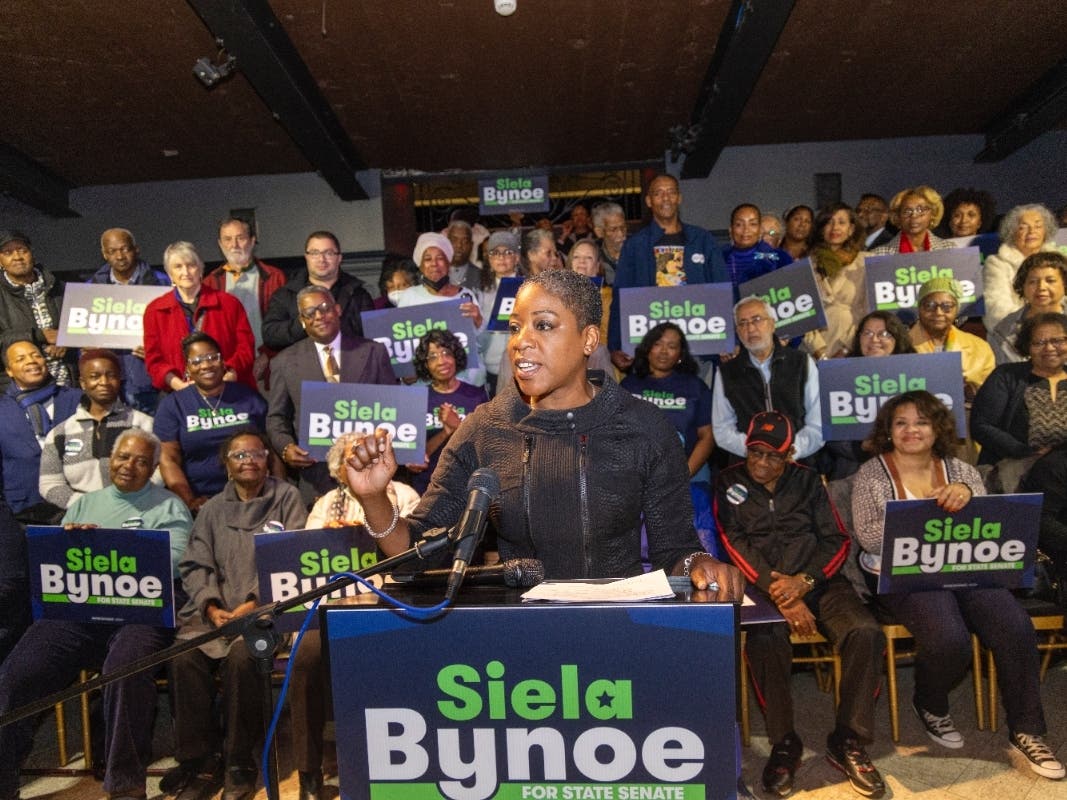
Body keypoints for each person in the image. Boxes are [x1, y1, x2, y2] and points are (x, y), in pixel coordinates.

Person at [340, 269, 743, 597]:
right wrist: (374, 497)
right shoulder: (484, 428)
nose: (521, 342)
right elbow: (415, 556)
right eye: (515, 328)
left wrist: (698, 564)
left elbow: (675, 548)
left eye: (544, 326)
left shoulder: (644, 426)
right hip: (520, 650)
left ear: (588, 340)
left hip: (619, 633)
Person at [851, 391, 1064, 780]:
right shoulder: (872, 474)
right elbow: (866, 535)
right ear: (888, 430)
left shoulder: (962, 471)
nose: (911, 430)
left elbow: (985, 522)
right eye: (901, 423)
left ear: (937, 428)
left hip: (966, 565)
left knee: (1016, 627)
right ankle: (929, 703)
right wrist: (926, 515)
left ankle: (1028, 730)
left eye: (921, 422)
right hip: (903, 574)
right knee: (949, 638)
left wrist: (967, 498)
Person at [0, 429, 192, 800]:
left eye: (140, 460)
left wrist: (109, 546)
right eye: (123, 457)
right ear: (110, 461)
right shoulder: (85, 504)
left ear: (153, 467)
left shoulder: (170, 506)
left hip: (141, 612)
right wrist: (73, 540)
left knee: (126, 667)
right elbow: (55, 559)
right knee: (17, 671)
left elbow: (176, 562)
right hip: (81, 611)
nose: (129, 466)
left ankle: (125, 785)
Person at [716, 412, 886, 798]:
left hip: (819, 579)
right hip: (763, 586)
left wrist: (805, 582)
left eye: (772, 456)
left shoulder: (808, 481)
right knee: (766, 637)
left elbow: (837, 539)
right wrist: (779, 592)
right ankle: (784, 743)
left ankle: (848, 740)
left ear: (789, 453)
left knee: (865, 633)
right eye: (755, 453)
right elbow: (732, 541)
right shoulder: (728, 481)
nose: (761, 463)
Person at [167, 430, 306, 800]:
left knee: (244, 658)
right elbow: (195, 563)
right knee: (183, 659)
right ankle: (199, 761)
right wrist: (211, 606)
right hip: (213, 614)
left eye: (256, 454)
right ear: (226, 466)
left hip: (267, 611)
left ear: (267, 459)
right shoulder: (212, 508)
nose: (249, 461)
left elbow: (291, 559)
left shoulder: (287, 498)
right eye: (239, 456)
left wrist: (250, 606)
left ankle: (239, 761)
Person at [267, 285, 396, 505]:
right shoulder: (284, 362)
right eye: (310, 313)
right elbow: (276, 417)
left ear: (337, 310)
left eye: (324, 308)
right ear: (302, 321)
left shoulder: (373, 351)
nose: (319, 316)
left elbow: (395, 407)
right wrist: (286, 447)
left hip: (369, 469)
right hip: (316, 475)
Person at [608, 174, 728, 370]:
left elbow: (722, 290)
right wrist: (614, 346)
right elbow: (620, 298)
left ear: (679, 198)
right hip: (650, 348)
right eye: (658, 193)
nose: (665, 198)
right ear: (649, 201)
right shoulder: (635, 246)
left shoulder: (702, 240)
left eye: (671, 192)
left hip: (699, 346)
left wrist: (728, 339)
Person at [621, 323, 716, 553]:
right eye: (658, 344)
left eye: (672, 346)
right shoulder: (628, 385)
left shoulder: (695, 386)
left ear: (681, 354)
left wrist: (681, 474)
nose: (664, 351)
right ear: (647, 349)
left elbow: (708, 436)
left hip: (688, 477)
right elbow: (617, 434)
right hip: (638, 479)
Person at [153, 332, 271, 512]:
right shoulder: (173, 405)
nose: (206, 365)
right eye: (197, 361)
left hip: (254, 495)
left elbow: (271, 449)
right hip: (201, 500)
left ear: (223, 361)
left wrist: (273, 494)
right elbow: (168, 459)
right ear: (187, 369)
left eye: (212, 358)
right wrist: (189, 500)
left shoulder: (248, 396)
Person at [39, 349, 155, 509]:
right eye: (94, 376)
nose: (104, 382)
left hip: (138, 512)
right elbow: (49, 483)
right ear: (82, 383)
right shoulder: (60, 433)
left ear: (120, 380)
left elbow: (162, 469)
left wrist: (131, 500)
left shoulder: (144, 424)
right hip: (82, 519)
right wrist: (88, 506)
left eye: (111, 375)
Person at [712, 296, 823, 463]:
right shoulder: (726, 372)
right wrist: (758, 453)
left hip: (796, 462)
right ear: (737, 332)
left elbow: (818, 422)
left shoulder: (801, 362)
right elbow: (722, 430)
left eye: (757, 319)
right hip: (747, 465)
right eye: (742, 323)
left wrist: (792, 450)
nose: (750, 328)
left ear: (772, 324)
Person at [971, 312, 1067, 491]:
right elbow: (981, 425)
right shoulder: (1007, 376)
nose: (1050, 348)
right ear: (1027, 347)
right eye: (1039, 343)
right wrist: (1024, 452)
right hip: (1013, 473)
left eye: (1058, 341)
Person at [143, 241, 256, 391]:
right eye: (178, 267)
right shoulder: (155, 310)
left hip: (228, 388)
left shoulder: (228, 304)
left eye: (191, 265)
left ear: (201, 269)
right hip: (179, 392)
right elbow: (154, 359)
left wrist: (229, 374)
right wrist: (177, 384)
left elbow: (246, 347)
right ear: (170, 274)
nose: (186, 272)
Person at [824, 312, 916, 480]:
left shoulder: (919, 372)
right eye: (867, 333)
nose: (874, 340)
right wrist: (860, 447)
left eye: (884, 334)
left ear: (897, 338)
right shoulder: (839, 374)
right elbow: (831, 432)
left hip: (910, 471)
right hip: (853, 472)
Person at [88, 227, 170, 412]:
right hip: (110, 382)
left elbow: (176, 331)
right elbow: (81, 336)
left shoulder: (161, 283)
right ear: (104, 254)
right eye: (112, 251)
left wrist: (159, 350)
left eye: (124, 249)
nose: (119, 256)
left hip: (150, 381)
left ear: (136, 249)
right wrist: (88, 350)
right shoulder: (90, 289)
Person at [0, 339, 82, 522]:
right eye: (20, 359)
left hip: (76, 505)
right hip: (23, 511)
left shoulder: (77, 399)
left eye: (36, 355)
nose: (31, 361)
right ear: (9, 371)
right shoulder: (2, 410)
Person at [203, 217, 287, 382]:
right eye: (227, 239)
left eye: (240, 238)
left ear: (252, 241)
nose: (234, 245)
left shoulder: (274, 277)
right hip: (225, 372)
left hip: (266, 367)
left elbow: (283, 325)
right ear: (220, 244)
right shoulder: (209, 282)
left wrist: (267, 355)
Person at [262, 230, 375, 351]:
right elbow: (270, 335)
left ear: (339, 258)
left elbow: (372, 334)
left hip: (350, 362)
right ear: (306, 257)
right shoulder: (286, 294)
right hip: (302, 366)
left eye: (329, 253)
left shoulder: (358, 294)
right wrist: (307, 322)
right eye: (315, 253)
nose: (322, 259)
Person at [407, 329, 488, 494]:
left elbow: (487, 448)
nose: (442, 361)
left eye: (446, 353)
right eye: (433, 357)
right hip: (427, 488)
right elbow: (418, 460)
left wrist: (459, 427)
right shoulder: (416, 400)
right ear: (425, 364)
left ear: (455, 356)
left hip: (468, 487)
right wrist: (446, 431)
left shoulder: (477, 396)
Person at [0, 230, 72, 390]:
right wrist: (37, 335)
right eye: (8, 252)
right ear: (0, 261)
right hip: (18, 390)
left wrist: (67, 339)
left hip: (66, 381)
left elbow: (85, 327)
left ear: (31, 254)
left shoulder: (59, 287)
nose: (17, 257)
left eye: (22, 250)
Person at [908, 277, 995, 400]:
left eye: (947, 306)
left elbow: (991, 395)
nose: (938, 312)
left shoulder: (980, 347)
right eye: (930, 305)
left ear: (956, 310)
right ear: (919, 308)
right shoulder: (900, 346)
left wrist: (972, 391)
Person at [802, 203, 867, 359]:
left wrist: (846, 348)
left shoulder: (866, 261)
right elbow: (801, 313)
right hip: (812, 348)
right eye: (829, 222)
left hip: (852, 344)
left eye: (841, 222)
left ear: (851, 229)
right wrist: (818, 350)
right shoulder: (806, 263)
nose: (835, 227)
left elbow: (867, 311)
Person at [982, 204, 1062, 330]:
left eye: (1038, 226)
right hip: (1019, 334)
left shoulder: (1059, 261)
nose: (1031, 232)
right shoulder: (997, 264)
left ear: (1046, 231)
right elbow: (996, 308)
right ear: (1012, 232)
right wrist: (1035, 326)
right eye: (1023, 227)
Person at [988, 251, 1067, 364]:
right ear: (1022, 286)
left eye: (1050, 281)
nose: (1041, 287)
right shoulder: (1003, 331)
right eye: (1033, 282)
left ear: (1064, 284)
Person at [393, 232, 484, 329]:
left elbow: (479, 334)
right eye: (428, 259)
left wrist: (478, 320)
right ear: (421, 267)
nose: (434, 264)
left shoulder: (465, 295)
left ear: (448, 263)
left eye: (440, 258)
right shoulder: (409, 296)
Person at [476, 231, 523, 394]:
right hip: (491, 366)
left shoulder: (530, 288)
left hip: (522, 365)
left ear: (516, 258)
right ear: (489, 259)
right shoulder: (480, 292)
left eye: (507, 252)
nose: (501, 257)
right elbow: (478, 337)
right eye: (495, 253)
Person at [721, 203, 793, 295]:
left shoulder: (779, 258)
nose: (746, 230)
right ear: (730, 230)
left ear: (759, 230)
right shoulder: (718, 258)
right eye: (739, 224)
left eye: (752, 224)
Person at [869, 186, 956, 255]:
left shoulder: (949, 250)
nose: (914, 216)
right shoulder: (878, 255)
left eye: (920, 210)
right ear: (898, 216)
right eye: (907, 211)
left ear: (933, 214)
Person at [592, 201, 627, 286]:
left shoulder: (639, 250)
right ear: (599, 232)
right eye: (613, 229)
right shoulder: (594, 257)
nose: (621, 234)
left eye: (623, 227)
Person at [445, 219, 482, 291]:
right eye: (454, 240)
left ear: (471, 245)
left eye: (465, 241)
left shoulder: (482, 277)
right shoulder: (434, 274)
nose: (459, 245)